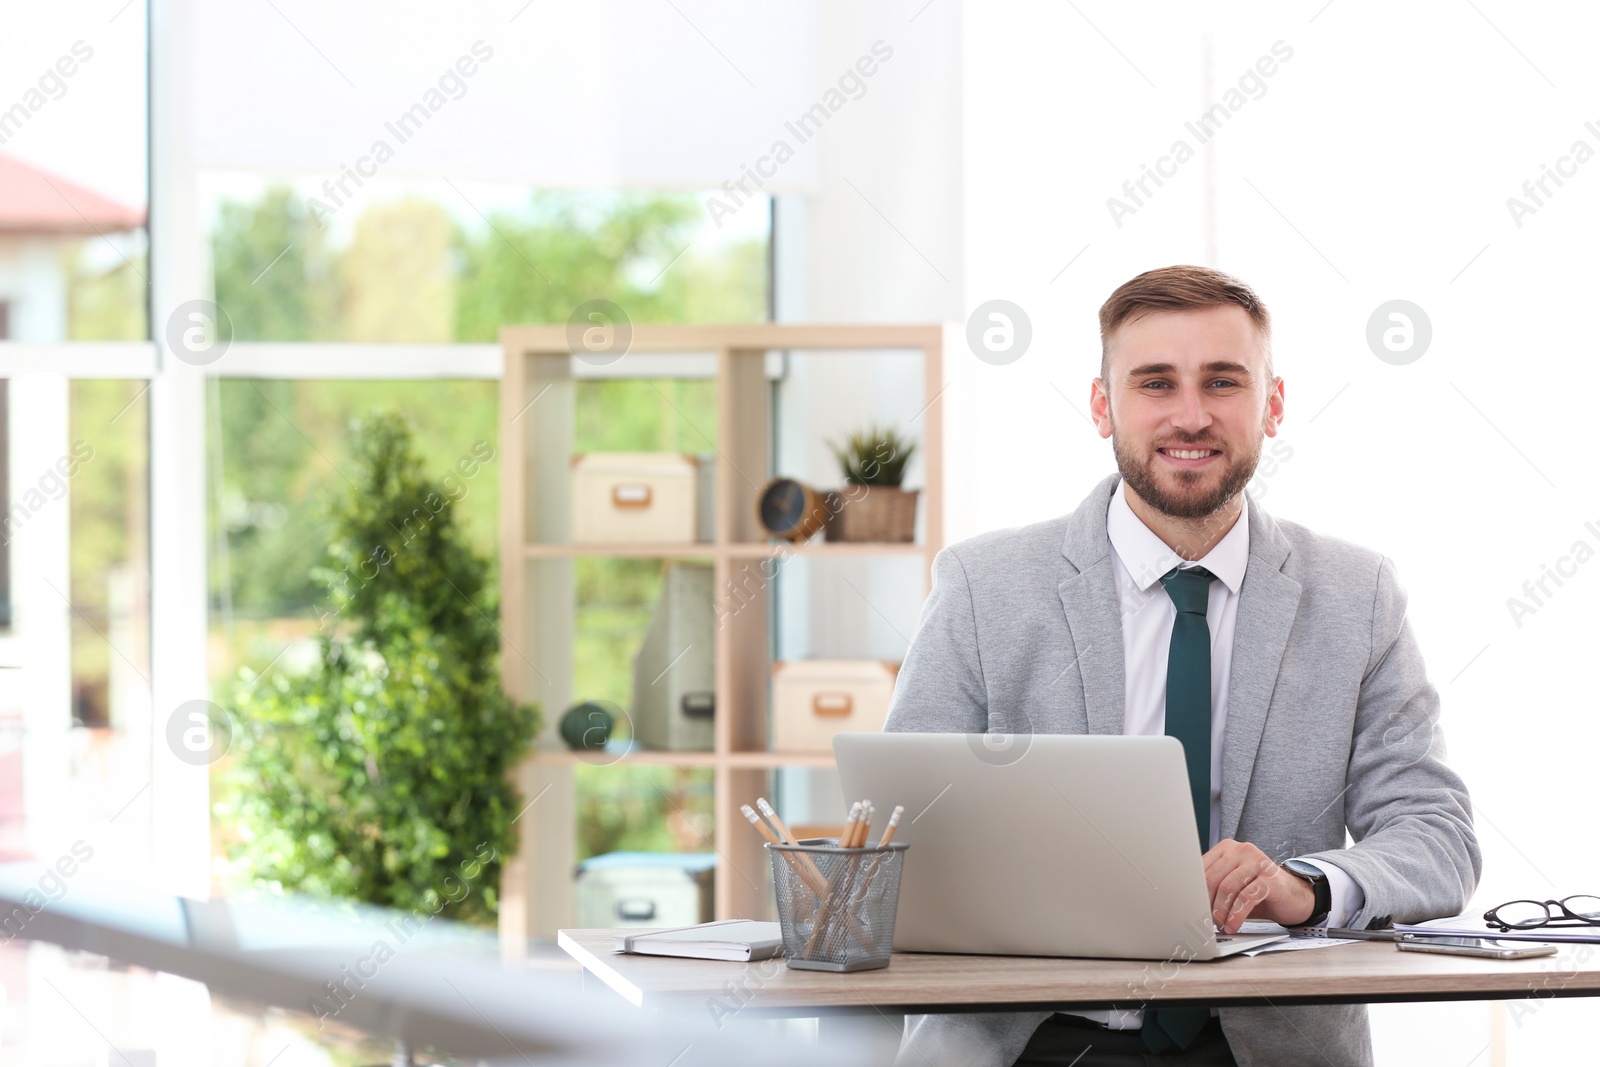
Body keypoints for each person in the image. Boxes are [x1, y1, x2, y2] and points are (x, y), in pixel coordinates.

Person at [886, 266, 1480, 1066]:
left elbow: (1436, 834)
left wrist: (1304, 885)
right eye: (1156, 382)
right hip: (1025, 1039)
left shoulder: (1358, 596)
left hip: (1268, 1043)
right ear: (1102, 406)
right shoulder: (982, 589)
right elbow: (898, 833)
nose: (1191, 415)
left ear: (1272, 404)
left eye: (1223, 381)